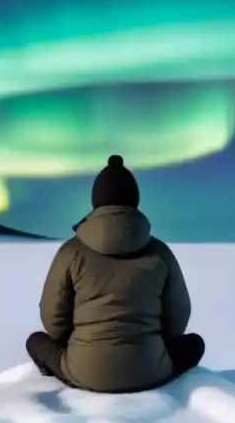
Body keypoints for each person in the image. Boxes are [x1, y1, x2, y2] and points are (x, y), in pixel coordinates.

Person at [26, 155, 205, 393]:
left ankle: (60, 373)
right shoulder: (160, 253)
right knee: (195, 344)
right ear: (135, 200)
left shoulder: (71, 251)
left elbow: (53, 320)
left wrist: (78, 343)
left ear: (95, 200)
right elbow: (178, 318)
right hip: (151, 371)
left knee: (36, 341)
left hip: (83, 370)